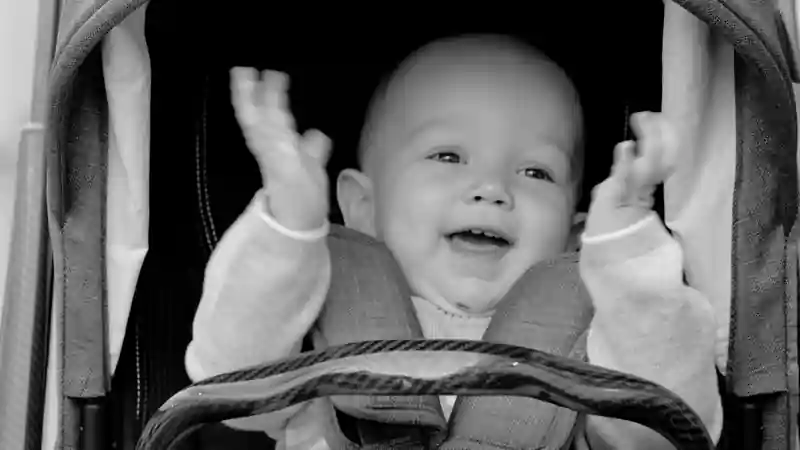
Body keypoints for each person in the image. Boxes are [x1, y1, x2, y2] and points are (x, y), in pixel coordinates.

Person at [185, 34, 722, 449]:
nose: (491, 189)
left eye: (536, 171)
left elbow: (664, 426)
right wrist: (288, 225)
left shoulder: (602, 343)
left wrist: (625, 252)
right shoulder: (311, 319)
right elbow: (228, 382)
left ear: (575, 236)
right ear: (363, 207)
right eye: (448, 157)